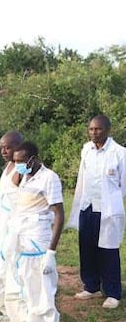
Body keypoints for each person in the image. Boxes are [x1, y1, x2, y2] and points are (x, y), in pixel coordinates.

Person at [2, 142, 64, 322]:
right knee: (22, 286)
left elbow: (58, 215)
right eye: (15, 161)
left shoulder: (49, 178)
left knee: (40, 291)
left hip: (38, 241)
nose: (17, 164)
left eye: (21, 161)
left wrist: (51, 253)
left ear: (34, 159)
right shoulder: (24, 176)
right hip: (21, 239)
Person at [67, 114, 126, 309]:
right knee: (87, 247)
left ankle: (112, 292)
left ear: (108, 130)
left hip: (107, 210)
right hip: (87, 206)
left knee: (108, 250)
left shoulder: (119, 153)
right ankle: (91, 286)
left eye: (98, 129)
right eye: (91, 129)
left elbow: (123, 185)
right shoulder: (87, 150)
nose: (94, 133)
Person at [0, 131, 23, 322]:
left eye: (8, 147)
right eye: (1, 147)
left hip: (13, 227)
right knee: (1, 269)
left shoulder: (22, 170)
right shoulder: (8, 166)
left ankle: (17, 313)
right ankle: (6, 310)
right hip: (0, 225)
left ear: (19, 146)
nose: (3, 151)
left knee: (13, 270)